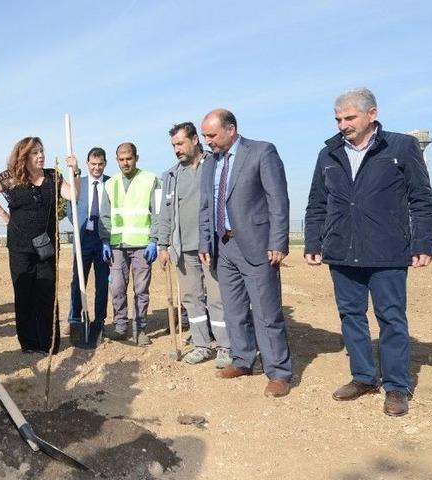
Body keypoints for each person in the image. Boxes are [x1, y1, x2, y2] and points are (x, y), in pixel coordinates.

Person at [304, 88, 432, 416]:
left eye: (349, 118)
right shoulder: (329, 153)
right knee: (351, 315)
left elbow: (421, 199)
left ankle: (396, 386)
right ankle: (363, 377)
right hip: (341, 250)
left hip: (387, 251)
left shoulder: (401, 147)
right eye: (338, 119)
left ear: (372, 114)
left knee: (391, 317)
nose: (343, 125)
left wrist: (423, 242)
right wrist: (313, 242)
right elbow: (317, 203)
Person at [198, 109, 292, 398]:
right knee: (234, 309)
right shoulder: (209, 163)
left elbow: (278, 199)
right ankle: (242, 360)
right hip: (223, 246)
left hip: (257, 244)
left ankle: (278, 372)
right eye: (204, 136)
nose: (208, 141)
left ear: (231, 129)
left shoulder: (262, 152)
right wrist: (205, 243)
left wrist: (278, 241)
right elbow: (206, 206)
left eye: (212, 135)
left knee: (266, 312)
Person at [0, 137, 79, 354]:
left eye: (41, 151)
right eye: (35, 153)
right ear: (23, 157)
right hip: (20, 247)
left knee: (46, 292)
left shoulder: (53, 176)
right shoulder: (11, 178)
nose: (40, 156)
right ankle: (29, 343)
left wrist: (75, 172)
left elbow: (73, 194)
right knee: (24, 293)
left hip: (47, 246)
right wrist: (3, 215)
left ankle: (49, 343)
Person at [159, 122, 231, 367]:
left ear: (195, 140)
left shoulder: (215, 164)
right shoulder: (171, 176)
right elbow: (165, 212)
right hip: (183, 248)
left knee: (217, 298)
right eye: (174, 145)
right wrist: (163, 245)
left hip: (212, 247)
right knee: (192, 298)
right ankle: (202, 345)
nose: (177, 150)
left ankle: (225, 346)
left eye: (180, 143)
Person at [100, 142, 160, 346]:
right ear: (117, 160)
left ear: (136, 158)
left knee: (141, 290)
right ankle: (120, 326)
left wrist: (154, 240)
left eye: (129, 158)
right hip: (117, 246)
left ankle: (140, 329)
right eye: (121, 159)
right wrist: (105, 241)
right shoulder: (110, 184)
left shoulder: (151, 180)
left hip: (143, 246)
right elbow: (105, 215)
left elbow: (158, 212)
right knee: (117, 288)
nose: (125, 162)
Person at [65, 147, 110, 348]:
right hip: (84, 238)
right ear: (87, 163)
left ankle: (99, 321)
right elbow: (70, 210)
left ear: (105, 164)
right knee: (78, 281)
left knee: (102, 282)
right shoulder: (78, 184)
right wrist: (79, 227)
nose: (96, 168)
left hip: (104, 241)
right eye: (93, 164)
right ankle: (74, 319)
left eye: (100, 164)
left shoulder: (111, 184)